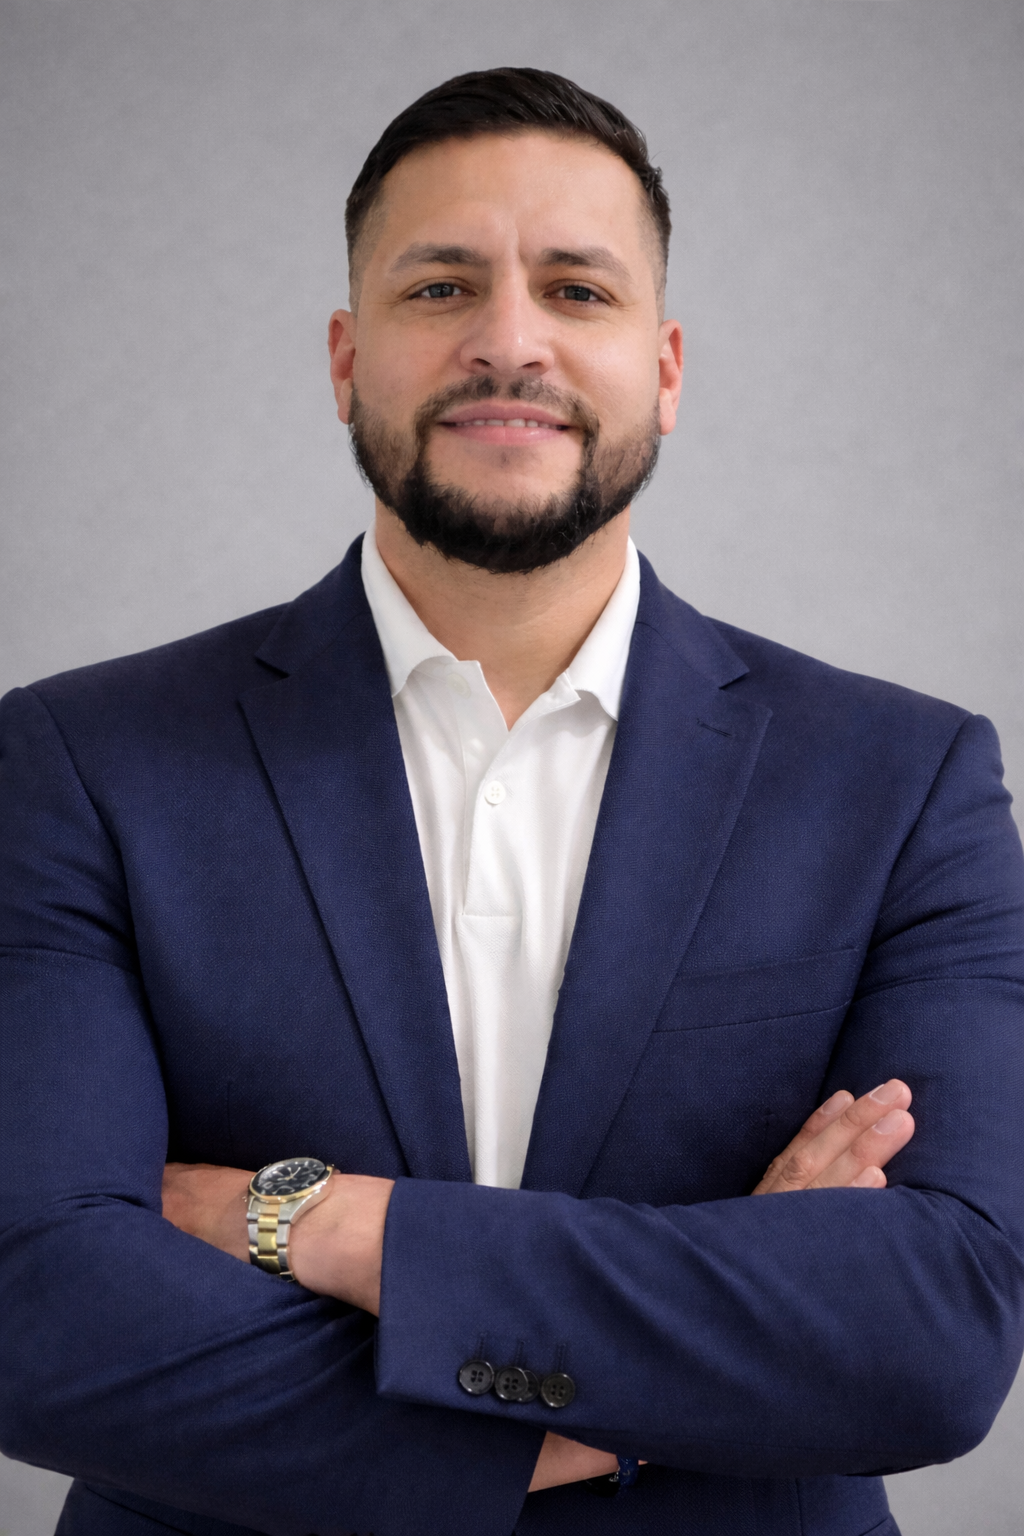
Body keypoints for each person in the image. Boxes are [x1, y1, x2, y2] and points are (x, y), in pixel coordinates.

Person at [0, 66, 1021, 1536]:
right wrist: (660, 1388)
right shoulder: (80, 761)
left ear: (665, 368)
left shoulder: (903, 783)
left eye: (576, 291)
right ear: (346, 359)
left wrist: (320, 1222)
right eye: (441, 288)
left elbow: (940, 1330)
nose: (508, 340)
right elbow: (38, 1310)